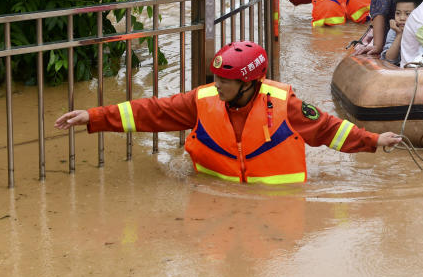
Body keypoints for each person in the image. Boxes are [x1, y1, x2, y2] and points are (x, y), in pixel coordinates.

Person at [54, 41, 402, 184]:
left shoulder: (285, 104)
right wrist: (94, 116)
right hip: (212, 191)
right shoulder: (203, 99)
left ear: (250, 82)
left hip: (277, 203)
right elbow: (152, 112)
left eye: (226, 81)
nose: (217, 86)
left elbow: (328, 130)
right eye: (217, 78)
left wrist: (374, 140)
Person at [382, 0, 423, 66]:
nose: (401, 18)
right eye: (398, 13)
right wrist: (399, 35)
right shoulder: (394, 30)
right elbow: (389, 59)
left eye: (407, 14)